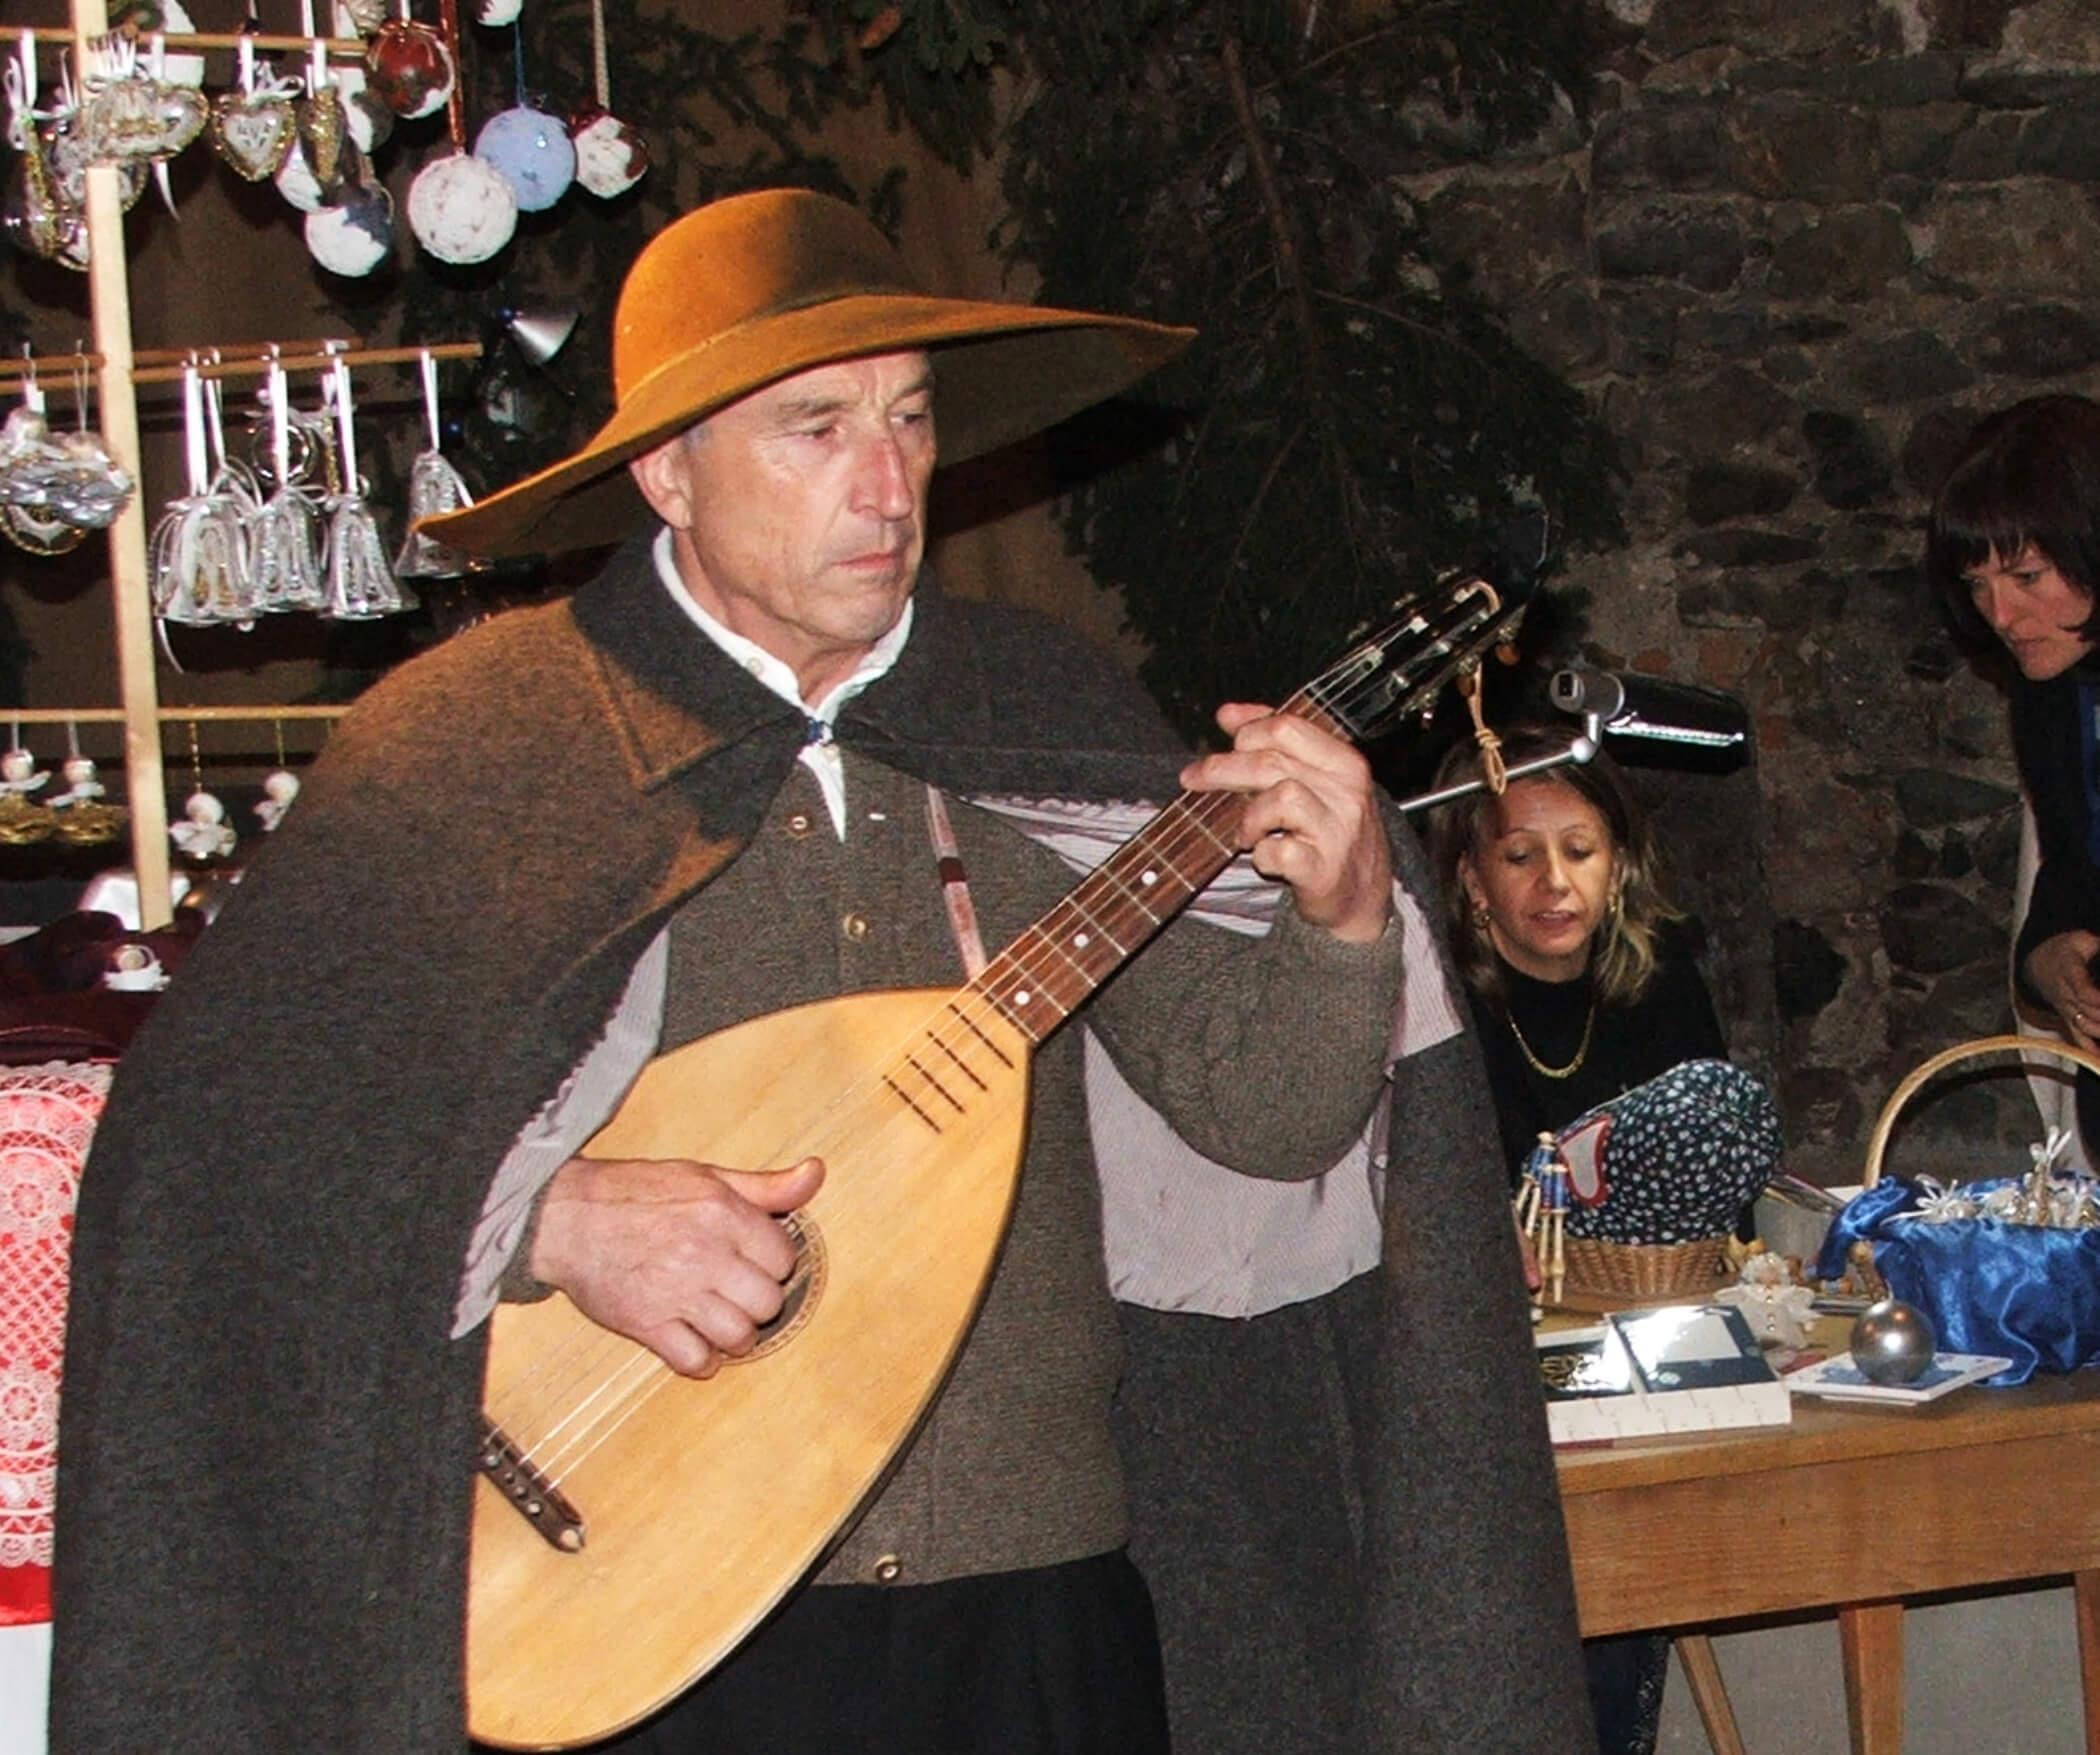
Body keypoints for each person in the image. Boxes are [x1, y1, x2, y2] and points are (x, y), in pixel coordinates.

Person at [50, 188, 1591, 1754]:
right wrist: (553, 1217)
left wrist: (1338, 923)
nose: (886, 483)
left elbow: (1260, 1116)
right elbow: (219, 1151)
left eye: (911, 421)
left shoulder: (1034, 707)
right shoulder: (477, 749)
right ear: (669, 471)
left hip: (1034, 1597)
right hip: (655, 1620)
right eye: (813, 427)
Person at [1427, 724, 1728, 1755]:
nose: (1555, 883)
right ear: (1471, 876)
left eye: (1581, 851)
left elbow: (1711, 1193)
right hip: (1489, 1363)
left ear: (1620, 862)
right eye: (1519, 855)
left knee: (1629, 1541)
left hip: (1649, 1335)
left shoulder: (1662, 981)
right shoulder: (1436, 1000)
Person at [1926, 394, 2100, 1160]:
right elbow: (2066, 868)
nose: (2002, 613)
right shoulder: (2051, 690)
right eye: (1977, 584)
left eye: (2028, 574)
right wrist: (2048, 962)